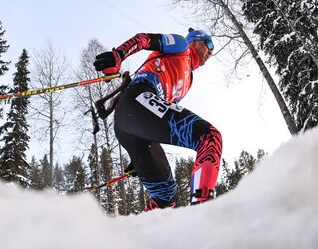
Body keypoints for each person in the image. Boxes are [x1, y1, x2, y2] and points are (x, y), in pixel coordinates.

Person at [93, 29, 223, 210]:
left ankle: (143, 235)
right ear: (195, 41)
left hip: (137, 124)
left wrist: (142, 149)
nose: (211, 51)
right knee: (209, 137)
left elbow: (161, 112)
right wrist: (118, 55)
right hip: (136, 100)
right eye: (209, 44)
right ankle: (203, 214)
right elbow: (144, 39)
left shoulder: (188, 80)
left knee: (167, 196)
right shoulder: (181, 45)